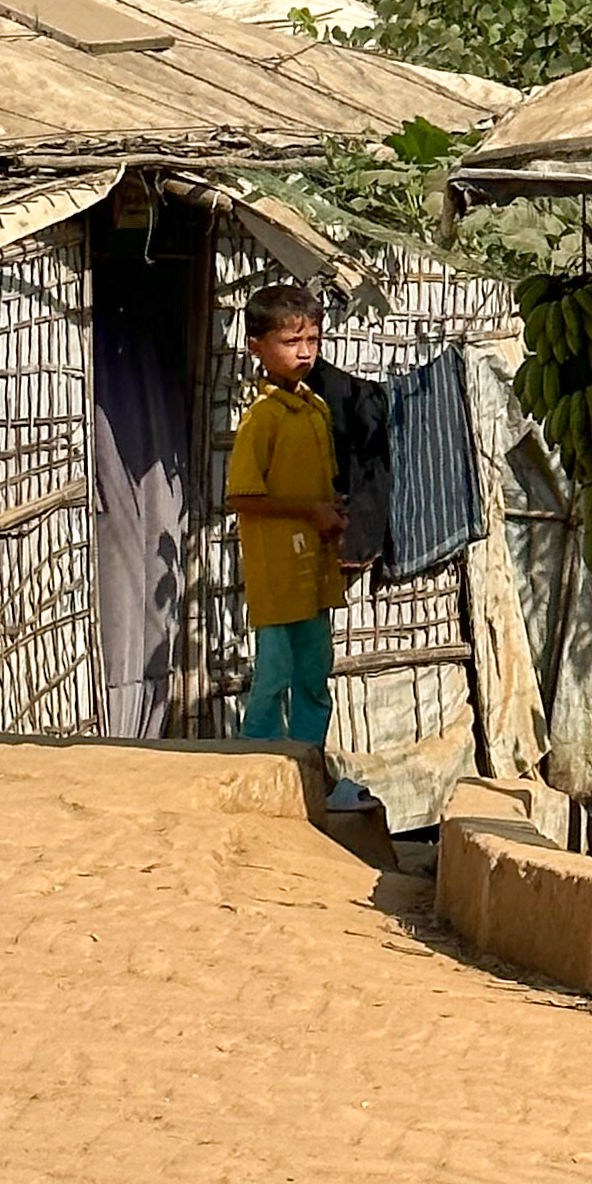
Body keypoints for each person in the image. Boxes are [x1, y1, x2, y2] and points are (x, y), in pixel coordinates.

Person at [226, 283, 367, 810]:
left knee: (314, 677)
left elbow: (319, 484)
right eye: (291, 340)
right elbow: (243, 497)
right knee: (273, 679)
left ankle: (310, 773)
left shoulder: (314, 409)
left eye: (312, 338)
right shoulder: (261, 418)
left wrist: (329, 512)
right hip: (276, 574)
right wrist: (309, 511)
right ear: (257, 346)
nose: (305, 350)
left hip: (314, 572)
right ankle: (254, 776)